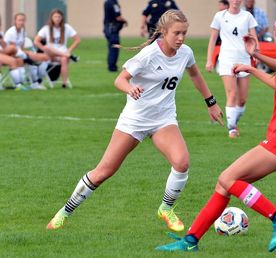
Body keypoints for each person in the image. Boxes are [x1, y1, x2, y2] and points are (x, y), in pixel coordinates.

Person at [46, 10, 224, 233]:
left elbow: (196, 75)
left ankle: (166, 208)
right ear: (164, 32)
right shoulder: (148, 55)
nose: (181, 38)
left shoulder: (185, 53)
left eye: (184, 33)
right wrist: (131, 88)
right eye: (177, 33)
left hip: (164, 119)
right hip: (135, 120)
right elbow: (119, 79)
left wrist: (211, 102)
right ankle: (64, 212)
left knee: (182, 162)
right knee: (104, 171)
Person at [156, 9, 276, 252]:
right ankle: (190, 241)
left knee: (228, 177)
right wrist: (252, 68)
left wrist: (256, 53)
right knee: (224, 185)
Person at [206, 0, 258, 139]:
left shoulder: (247, 16)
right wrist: (209, 60)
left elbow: (254, 37)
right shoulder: (219, 16)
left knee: (242, 99)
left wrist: (256, 54)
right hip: (226, 60)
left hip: (244, 60)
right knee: (232, 94)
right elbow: (212, 39)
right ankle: (232, 129)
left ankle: (234, 122)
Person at [34, 9, 80, 89]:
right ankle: (69, 55)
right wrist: (43, 48)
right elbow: (36, 41)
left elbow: (77, 40)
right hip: (49, 55)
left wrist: (69, 50)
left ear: (62, 18)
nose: (57, 18)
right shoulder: (46, 28)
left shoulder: (67, 27)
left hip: (61, 55)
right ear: (51, 18)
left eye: (59, 17)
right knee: (48, 48)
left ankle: (64, 83)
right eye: (55, 17)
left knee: (64, 59)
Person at [4, 13, 49, 90]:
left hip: (20, 53)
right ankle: (23, 83)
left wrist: (28, 53)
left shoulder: (23, 31)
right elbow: (12, 49)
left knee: (43, 57)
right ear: (15, 21)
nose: (21, 22)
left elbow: (21, 47)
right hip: (9, 54)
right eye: (19, 20)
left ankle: (36, 82)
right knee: (28, 59)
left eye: (23, 20)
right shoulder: (11, 32)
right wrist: (26, 55)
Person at [103, 0, 128, 72]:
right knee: (114, 48)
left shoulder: (107, 2)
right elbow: (118, 17)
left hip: (107, 29)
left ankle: (111, 66)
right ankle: (112, 67)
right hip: (113, 30)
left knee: (111, 48)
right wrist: (125, 21)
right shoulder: (114, 4)